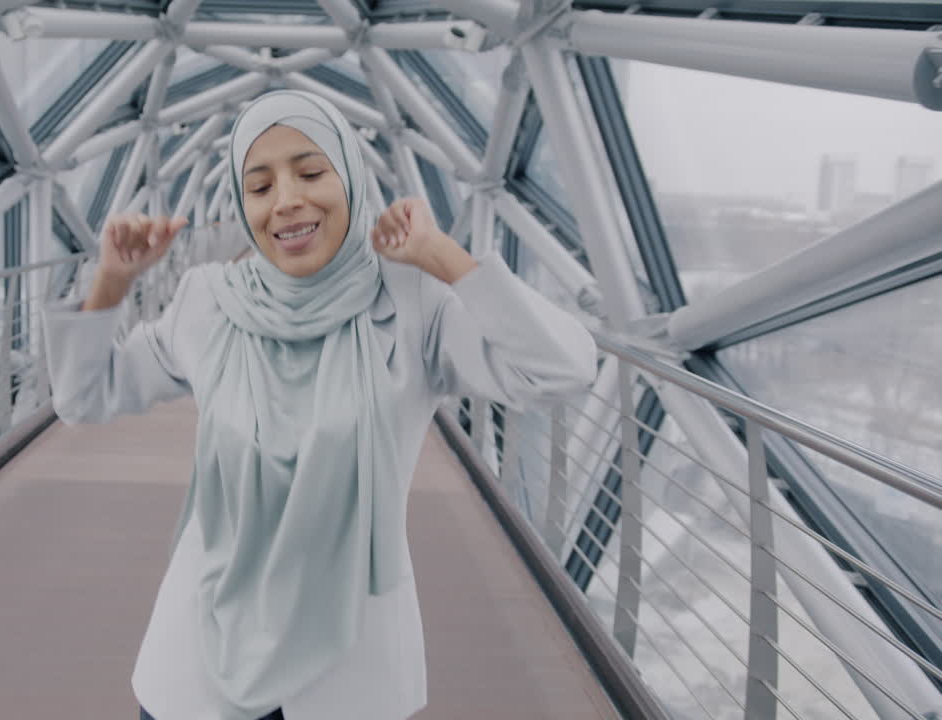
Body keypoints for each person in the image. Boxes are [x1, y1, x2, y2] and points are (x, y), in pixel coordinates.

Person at [42, 90, 597, 720]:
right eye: (258, 186)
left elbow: (564, 370)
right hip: (199, 664)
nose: (286, 201)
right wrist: (112, 280)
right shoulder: (208, 301)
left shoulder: (412, 300)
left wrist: (443, 257)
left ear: (353, 177)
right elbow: (84, 398)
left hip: (350, 672)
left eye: (310, 172)